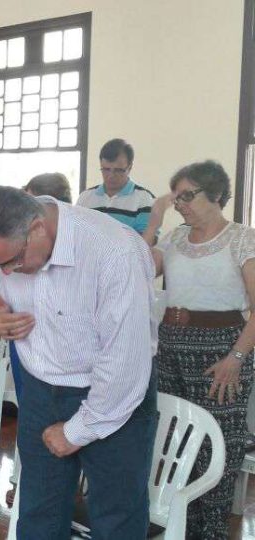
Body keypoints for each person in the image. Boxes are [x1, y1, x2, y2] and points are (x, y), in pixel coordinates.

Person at [0, 185, 157, 538]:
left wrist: (77, 430)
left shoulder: (114, 252)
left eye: (11, 262)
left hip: (112, 398)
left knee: (116, 517)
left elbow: (124, 364)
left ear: (37, 227)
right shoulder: (6, 249)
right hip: (40, 390)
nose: (5, 273)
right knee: (39, 510)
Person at [142, 161, 255, 539]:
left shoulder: (242, 238)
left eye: (187, 196)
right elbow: (136, 269)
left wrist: (236, 358)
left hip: (221, 351)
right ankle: (179, 523)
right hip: (171, 344)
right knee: (175, 437)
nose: (180, 204)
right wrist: (154, 221)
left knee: (217, 442)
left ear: (217, 195)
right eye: (176, 197)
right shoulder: (174, 237)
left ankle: (212, 531)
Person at [77, 138, 155, 235]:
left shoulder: (144, 199)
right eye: (106, 169)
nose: (111, 175)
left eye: (118, 170)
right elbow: (77, 233)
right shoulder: (85, 197)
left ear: (129, 168)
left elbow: (146, 242)